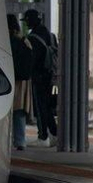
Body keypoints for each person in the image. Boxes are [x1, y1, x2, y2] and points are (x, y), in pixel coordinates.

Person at [22, 8, 59, 145]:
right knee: (49, 106)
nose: (25, 24)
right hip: (52, 77)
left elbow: (32, 60)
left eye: (26, 21)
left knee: (40, 106)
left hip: (39, 77)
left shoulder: (33, 38)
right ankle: (55, 134)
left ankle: (43, 136)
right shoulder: (51, 35)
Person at [7, 14, 33, 151]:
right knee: (19, 112)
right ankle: (20, 141)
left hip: (7, 80)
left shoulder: (2, 41)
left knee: (6, 113)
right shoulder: (24, 41)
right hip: (22, 83)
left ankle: (6, 141)